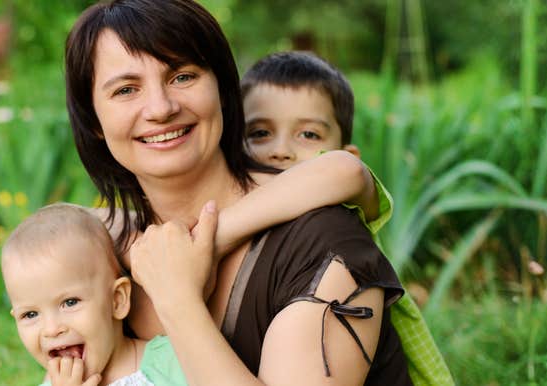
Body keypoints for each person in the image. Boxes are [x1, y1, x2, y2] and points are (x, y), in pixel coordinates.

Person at [65, 0, 413, 384]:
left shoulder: (321, 241)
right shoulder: (106, 261)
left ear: (223, 90)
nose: (160, 108)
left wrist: (178, 299)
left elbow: (347, 172)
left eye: (182, 76)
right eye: (126, 89)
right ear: (93, 120)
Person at [240, 51, 454, 386]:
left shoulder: (340, 216)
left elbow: (344, 174)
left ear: (345, 151)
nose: (280, 150)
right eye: (260, 133)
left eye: (308, 135)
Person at [1, 203, 189, 386]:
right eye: (30, 314)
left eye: (70, 302)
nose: (52, 329)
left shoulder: (172, 362)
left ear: (117, 300)